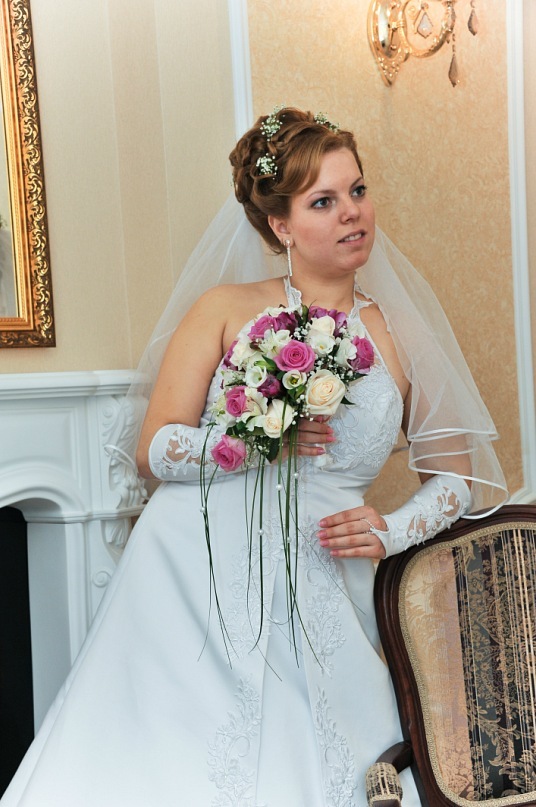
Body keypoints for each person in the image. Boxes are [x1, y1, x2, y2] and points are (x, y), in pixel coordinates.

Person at [1, 108, 507, 806]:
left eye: (357, 191)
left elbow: (455, 480)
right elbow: (155, 448)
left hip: (324, 573)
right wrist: (255, 442)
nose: (352, 213)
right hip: (191, 571)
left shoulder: (403, 333)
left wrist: (391, 530)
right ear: (280, 225)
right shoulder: (224, 309)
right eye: (323, 201)